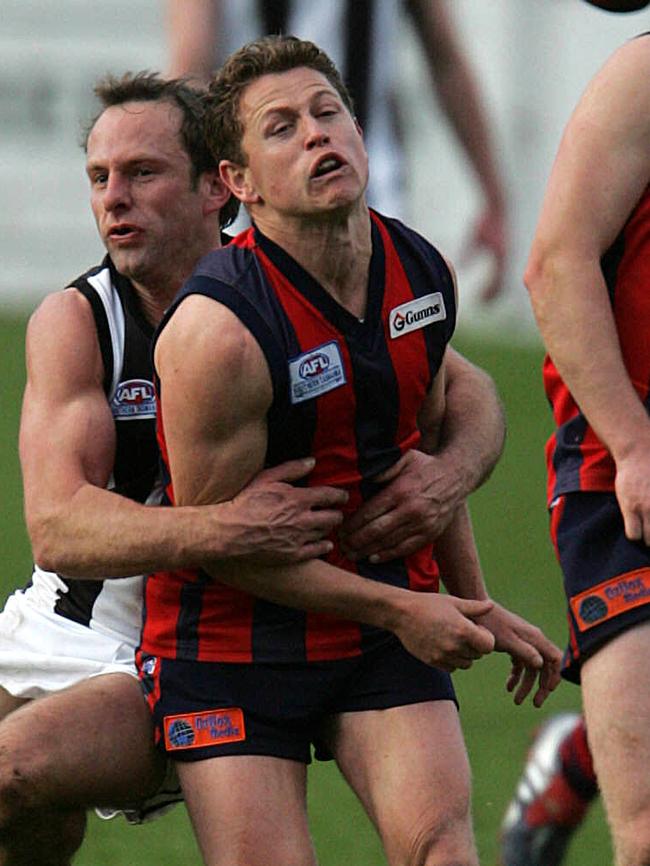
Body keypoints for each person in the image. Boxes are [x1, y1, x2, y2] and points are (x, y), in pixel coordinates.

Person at [0, 70, 512, 866]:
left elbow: (464, 392)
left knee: (14, 773)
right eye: (99, 178)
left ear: (218, 188)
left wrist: (447, 478)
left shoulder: (276, 290)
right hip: (64, 622)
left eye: (143, 173)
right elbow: (57, 528)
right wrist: (222, 527)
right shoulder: (79, 320)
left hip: (180, 640)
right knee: (23, 809)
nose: (114, 200)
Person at [145, 35, 561, 866]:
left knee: (444, 852)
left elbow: (425, 459)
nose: (317, 135)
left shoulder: (417, 268)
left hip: (376, 630)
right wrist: (409, 609)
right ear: (240, 185)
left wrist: (469, 602)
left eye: (329, 113)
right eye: (282, 127)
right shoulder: (217, 334)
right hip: (235, 642)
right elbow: (223, 548)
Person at [498, 31, 650, 866]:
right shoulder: (643, 75)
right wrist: (632, 444)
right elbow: (555, 264)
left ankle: (583, 752)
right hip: (626, 468)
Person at [165, 0, 508, 301]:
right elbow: (191, 68)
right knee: (258, 332)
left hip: (368, 178)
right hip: (258, 183)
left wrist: (493, 198)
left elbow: (444, 57)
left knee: (386, 338)